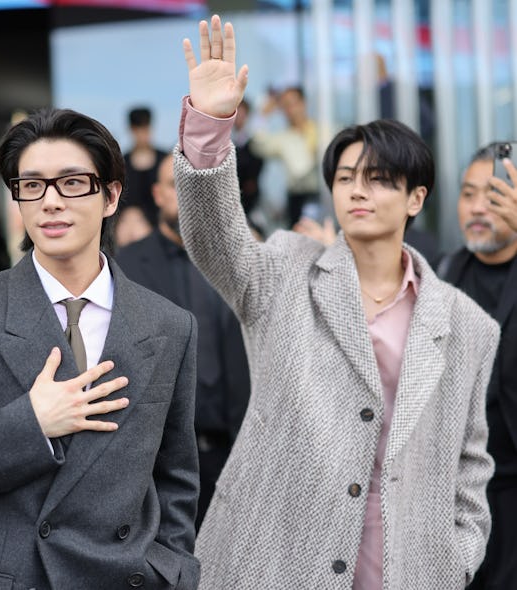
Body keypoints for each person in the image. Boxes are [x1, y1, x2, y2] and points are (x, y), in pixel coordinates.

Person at [176, 16, 498, 589]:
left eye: (378, 179)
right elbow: (213, 237)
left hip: (404, 567)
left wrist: (458, 556)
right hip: (274, 555)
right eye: (346, 176)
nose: (357, 189)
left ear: (416, 198)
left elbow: (470, 464)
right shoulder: (284, 268)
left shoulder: (466, 322)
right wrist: (210, 126)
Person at [0, 107, 200, 589]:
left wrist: (171, 568)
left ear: (111, 195)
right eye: (31, 185)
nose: (50, 202)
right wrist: (30, 426)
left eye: (73, 183)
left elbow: (176, 476)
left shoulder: (168, 324)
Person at [116, 152, 251, 531]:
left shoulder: (241, 259)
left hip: (233, 451)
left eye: (196, 187)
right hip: (158, 460)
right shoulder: (125, 265)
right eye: (178, 186)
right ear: (158, 194)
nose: (188, 195)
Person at [441, 143, 517, 590]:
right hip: (459, 496)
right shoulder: (443, 275)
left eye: (494, 196)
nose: (477, 208)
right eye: (468, 194)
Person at [249, 85, 320, 227]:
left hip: (321, 196)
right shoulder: (282, 139)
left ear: (303, 103)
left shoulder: (320, 129)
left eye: (293, 103)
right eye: (285, 106)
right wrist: (263, 116)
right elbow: (258, 145)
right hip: (297, 199)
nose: (291, 109)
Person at [123, 106, 167, 227]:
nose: (142, 135)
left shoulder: (165, 161)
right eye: (138, 130)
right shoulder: (120, 164)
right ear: (131, 130)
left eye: (145, 129)